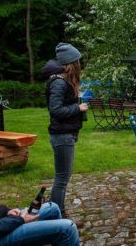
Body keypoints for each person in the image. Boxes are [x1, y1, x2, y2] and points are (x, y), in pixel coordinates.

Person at [41, 42, 87, 219]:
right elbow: (56, 111)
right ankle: (56, 216)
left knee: (62, 178)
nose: (80, 65)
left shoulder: (62, 81)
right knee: (61, 179)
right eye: (77, 61)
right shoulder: (59, 83)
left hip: (66, 134)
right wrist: (78, 109)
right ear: (71, 63)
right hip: (62, 135)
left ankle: (58, 213)